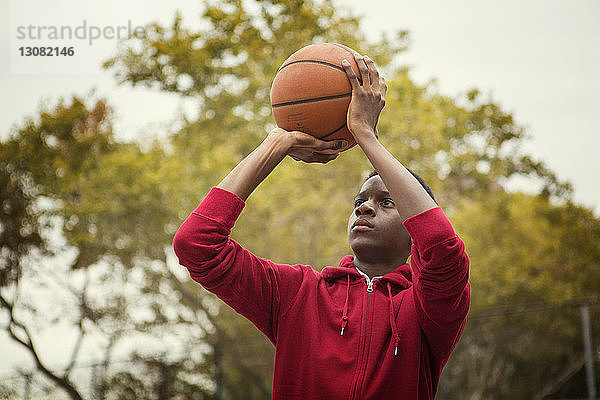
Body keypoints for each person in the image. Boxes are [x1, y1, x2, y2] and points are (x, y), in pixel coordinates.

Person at [173, 53, 470, 399]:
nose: (365, 209)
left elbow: (442, 246)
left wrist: (365, 135)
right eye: (359, 202)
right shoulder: (297, 294)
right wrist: (277, 143)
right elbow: (195, 244)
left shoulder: (429, 307)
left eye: (387, 202)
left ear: (413, 236)